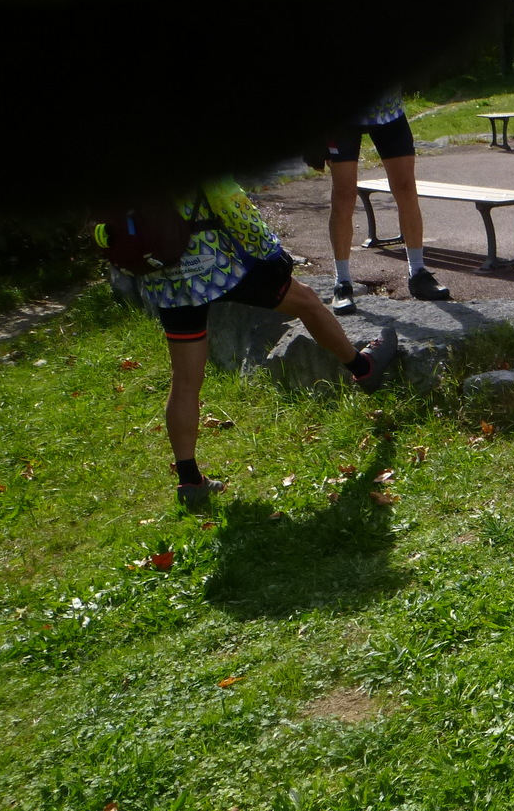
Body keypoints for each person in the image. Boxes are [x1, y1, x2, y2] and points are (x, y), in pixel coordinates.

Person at [112, 178, 398, 508]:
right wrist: (272, 254)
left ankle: (189, 480)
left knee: (185, 379)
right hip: (217, 264)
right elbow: (231, 203)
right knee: (307, 301)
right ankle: (363, 368)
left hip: (164, 274)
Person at [325, 88, 447, 314]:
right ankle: (342, 282)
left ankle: (418, 272)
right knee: (344, 195)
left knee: (406, 187)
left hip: (388, 110)